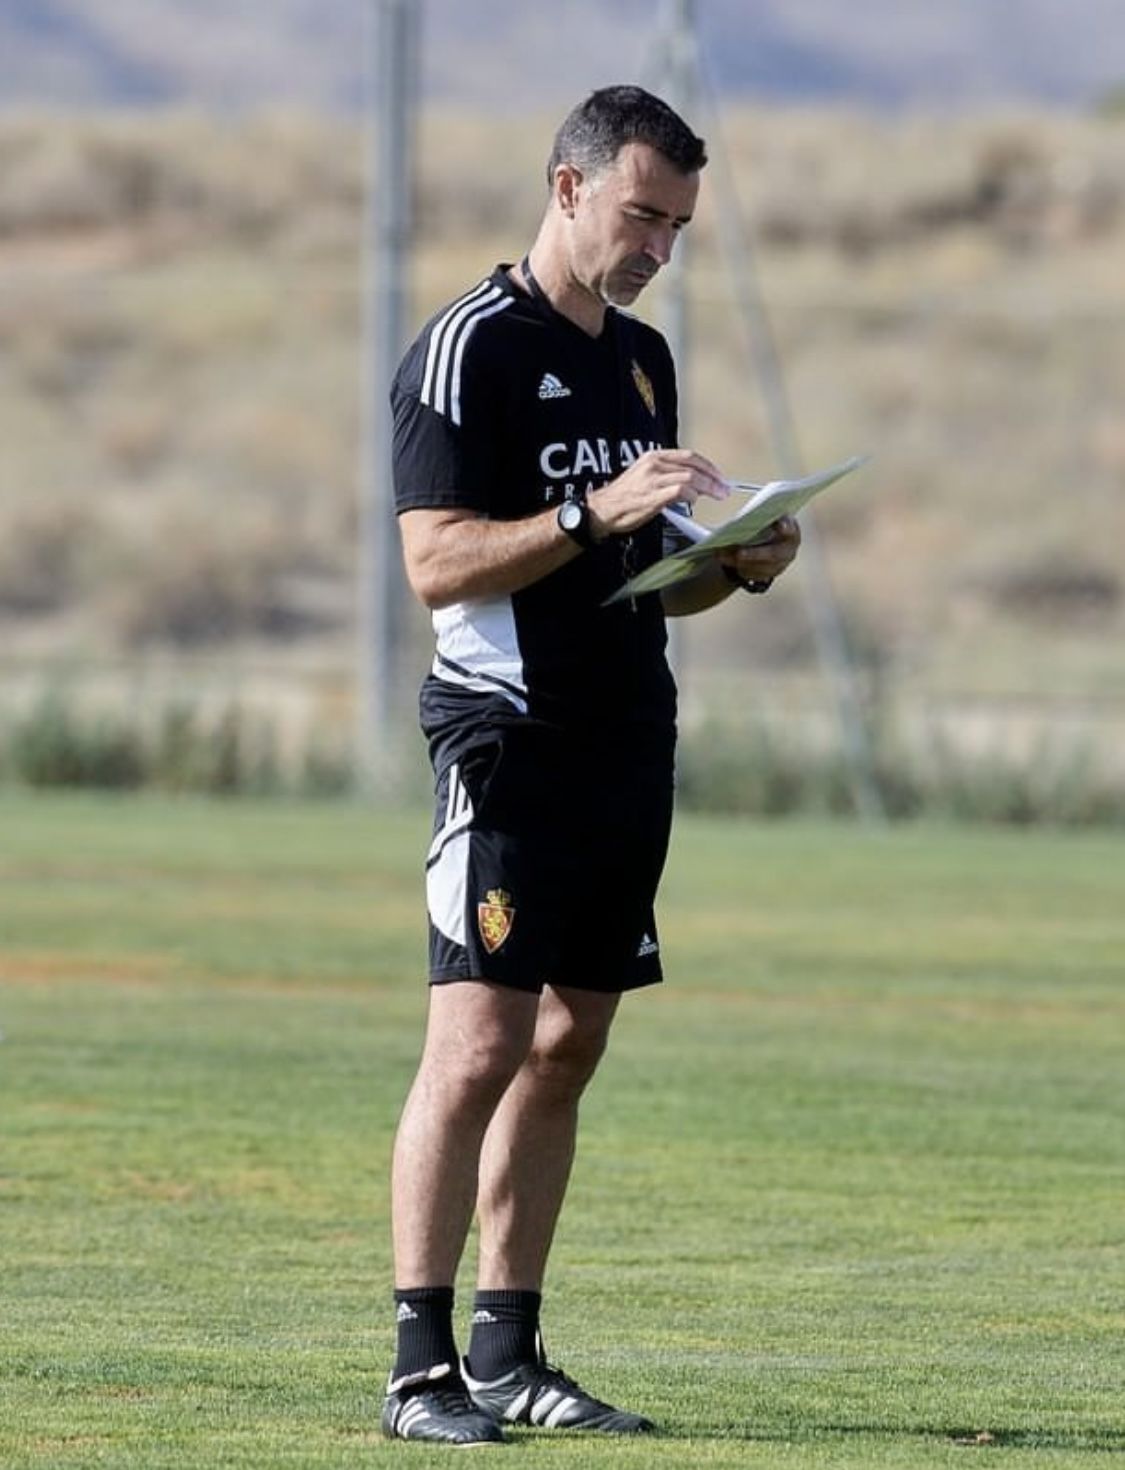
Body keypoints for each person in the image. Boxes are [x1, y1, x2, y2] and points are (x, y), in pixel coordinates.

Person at [382, 84, 801, 1446]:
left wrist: (730, 566)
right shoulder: (464, 352)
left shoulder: (642, 361)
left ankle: (511, 1353)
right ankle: (418, 1368)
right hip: (507, 737)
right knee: (478, 1041)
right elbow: (435, 562)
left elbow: (632, 580)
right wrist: (585, 504)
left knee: (571, 1035)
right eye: (640, 217)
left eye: (677, 227)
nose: (655, 250)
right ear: (566, 190)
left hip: (626, 741)